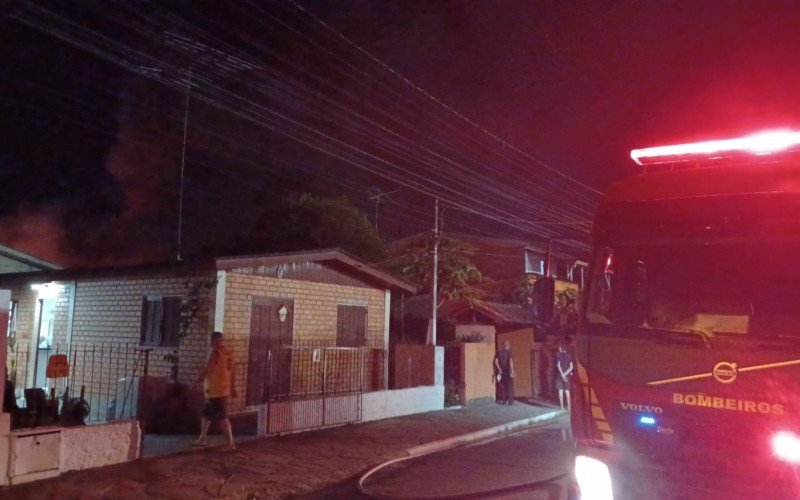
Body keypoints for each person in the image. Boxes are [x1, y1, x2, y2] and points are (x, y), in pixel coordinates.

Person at [194, 331, 237, 450]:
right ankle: (202, 438)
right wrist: (232, 387)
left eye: (212, 340)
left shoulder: (216, 353)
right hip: (221, 390)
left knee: (222, 418)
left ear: (214, 340)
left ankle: (230, 443)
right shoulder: (228, 353)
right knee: (206, 415)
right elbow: (233, 372)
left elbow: (208, 370)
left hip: (215, 391)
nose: (211, 342)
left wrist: (195, 381)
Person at [493, 340, 516, 405]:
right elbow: (510, 361)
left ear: (503, 345)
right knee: (509, 386)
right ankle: (510, 401)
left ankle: (503, 401)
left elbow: (496, 362)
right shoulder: (509, 352)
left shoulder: (498, 352)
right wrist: (512, 370)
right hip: (507, 371)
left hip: (500, 372)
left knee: (502, 386)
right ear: (508, 345)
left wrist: (499, 369)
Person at [556, 340, 574, 410]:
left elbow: (558, 365)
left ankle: (562, 407)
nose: (558, 348)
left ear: (561, 347)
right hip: (567, 376)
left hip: (559, 375)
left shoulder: (558, 355)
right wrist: (565, 374)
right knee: (567, 391)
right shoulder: (569, 355)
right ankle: (569, 407)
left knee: (560, 391)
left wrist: (562, 374)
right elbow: (571, 367)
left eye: (559, 347)